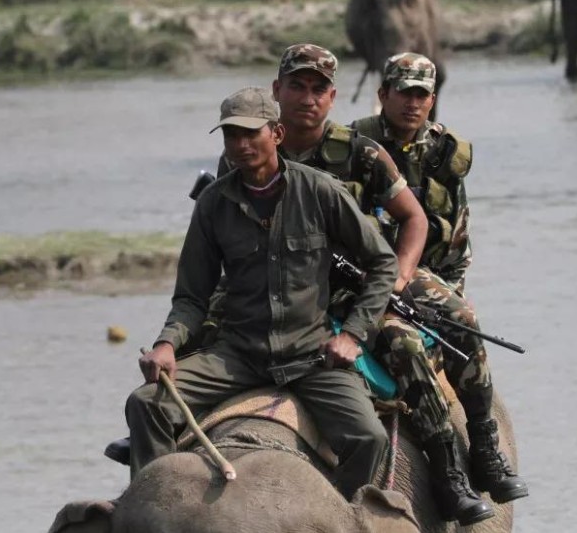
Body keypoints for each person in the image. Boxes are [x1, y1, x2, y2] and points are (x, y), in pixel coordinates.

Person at [219, 43, 494, 525]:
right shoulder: (251, 148)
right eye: (297, 86)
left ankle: (456, 464)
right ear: (276, 90)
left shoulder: (362, 151)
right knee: (196, 327)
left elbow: (416, 221)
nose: (307, 97)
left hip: (352, 284)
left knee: (408, 341)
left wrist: (397, 280)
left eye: (318, 89)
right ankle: (160, 430)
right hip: (269, 283)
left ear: (332, 96)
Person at [125, 86, 397, 501]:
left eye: (251, 133)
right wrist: (166, 345)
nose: (241, 144)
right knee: (146, 403)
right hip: (239, 353)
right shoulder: (213, 204)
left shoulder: (319, 191)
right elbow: (191, 298)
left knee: (369, 437)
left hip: (310, 354)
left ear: (277, 135)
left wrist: (353, 335)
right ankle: (156, 506)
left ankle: (341, 514)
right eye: (232, 135)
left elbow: (383, 263)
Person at [350, 52, 529, 504]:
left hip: (423, 273)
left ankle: (485, 445)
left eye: (421, 94)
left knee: (463, 320)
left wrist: (446, 297)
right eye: (403, 92)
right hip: (363, 271)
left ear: (431, 100)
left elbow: (457, 237)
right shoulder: (353, 144)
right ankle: (444, 462)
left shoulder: (446, 152)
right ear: (383, 94)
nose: (412, 103)